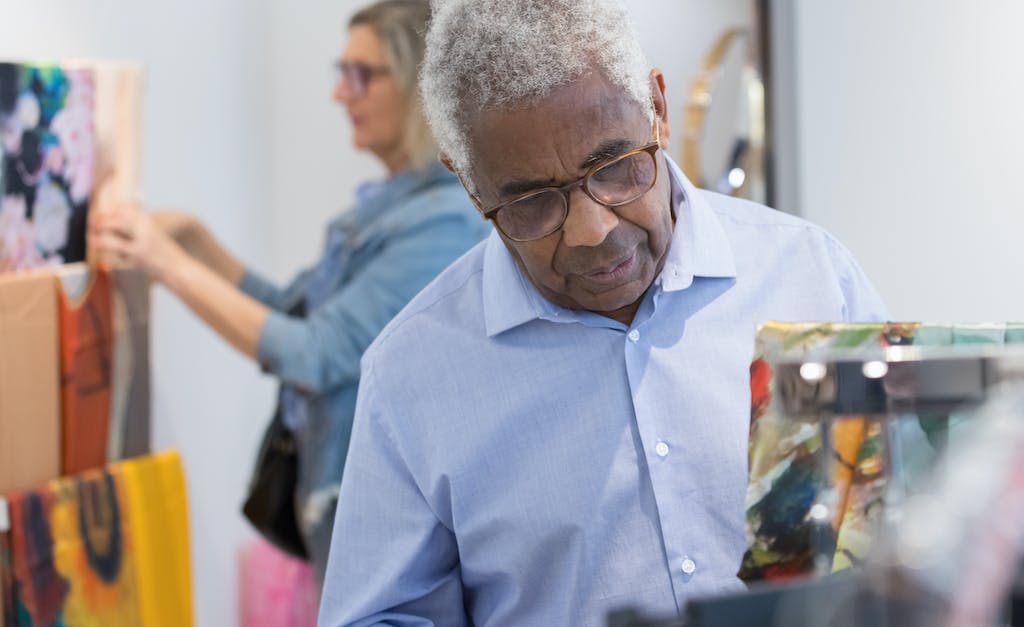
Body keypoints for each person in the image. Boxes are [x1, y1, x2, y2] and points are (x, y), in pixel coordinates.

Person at [319, 0, 889, 624]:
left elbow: (914, 533)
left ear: (659, 109)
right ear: (469, 181)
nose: (592, 231)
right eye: (533, 203)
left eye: (615, 167)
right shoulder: (413, 377)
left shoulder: (810, 278)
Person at [88, 0, 490, 580]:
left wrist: (166, 264)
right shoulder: (393, 205)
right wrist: (193, 241)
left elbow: (314, 353)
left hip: (377, 519)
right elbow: (290, 312)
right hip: (336, 500)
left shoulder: (444, 220)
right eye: (340, 71)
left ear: (418, 86)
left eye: (362, 74)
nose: (340, 94)